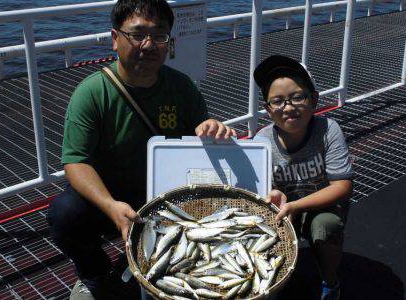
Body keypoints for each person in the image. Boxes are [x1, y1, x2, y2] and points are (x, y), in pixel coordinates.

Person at [47, 0, 236, 299]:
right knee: (64, 214)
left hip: (167, 194)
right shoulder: (92, 93)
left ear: (169, 42)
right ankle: (94, 274)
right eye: (138, 34)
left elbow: (203, 135)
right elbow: (76, 161)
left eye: (159, 35)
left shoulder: (182, 87)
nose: (149, 44)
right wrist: (110, 206)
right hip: (112, 195)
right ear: (115, 39)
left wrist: (212, 127)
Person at [254, 55, 353, 300]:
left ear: (314, 99)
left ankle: (330, 281)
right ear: (268, 110)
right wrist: (274, 194)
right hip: (285, 207)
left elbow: (342, 186)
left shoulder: (328, 130)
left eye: (298, 97)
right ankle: (273, 279)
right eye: (277, 101)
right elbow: (266, 191)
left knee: (325, 227)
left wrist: (295, 206)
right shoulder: (261, 142)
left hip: (322, 205)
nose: (288, 107)